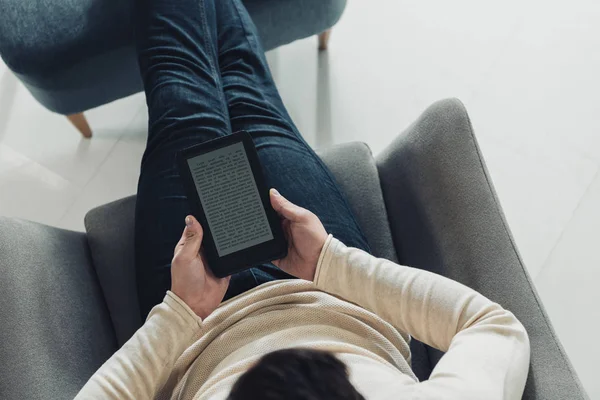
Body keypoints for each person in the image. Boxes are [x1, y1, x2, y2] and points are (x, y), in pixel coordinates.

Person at [74, 0, 530, 398]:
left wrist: (181, 314)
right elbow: (496, 330)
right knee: (250, 92)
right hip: (328, 287)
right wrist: (331, 265)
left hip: (195, 331)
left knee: (182, 95)